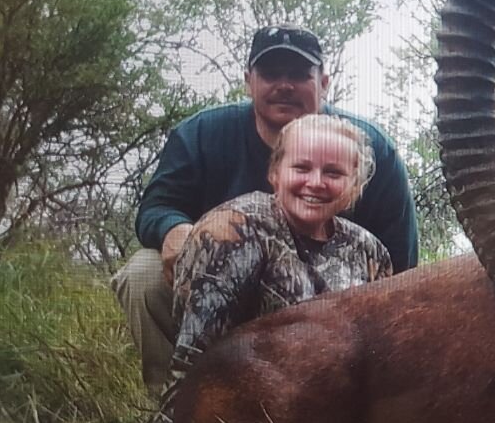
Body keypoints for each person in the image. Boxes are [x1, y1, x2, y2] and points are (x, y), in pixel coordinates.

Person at [112, 25, 418, 396]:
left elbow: (402, 267)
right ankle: (174, 413)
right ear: (248, 81)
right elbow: (157, 205)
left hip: (323, 320)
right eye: (271, 73)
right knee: (142, 274)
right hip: (213, 295)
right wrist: (173, 231)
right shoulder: (201, 133)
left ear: (323, 82)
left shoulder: (373, 149)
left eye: (299, 74)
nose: (284, 85)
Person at [152, 113, 395, 423]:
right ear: (275, 173)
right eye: (301, 168)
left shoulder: (371, 252)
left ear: (355, 187)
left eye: (334, 172)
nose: (316, 182)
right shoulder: (233, 229)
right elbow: (193, 358)